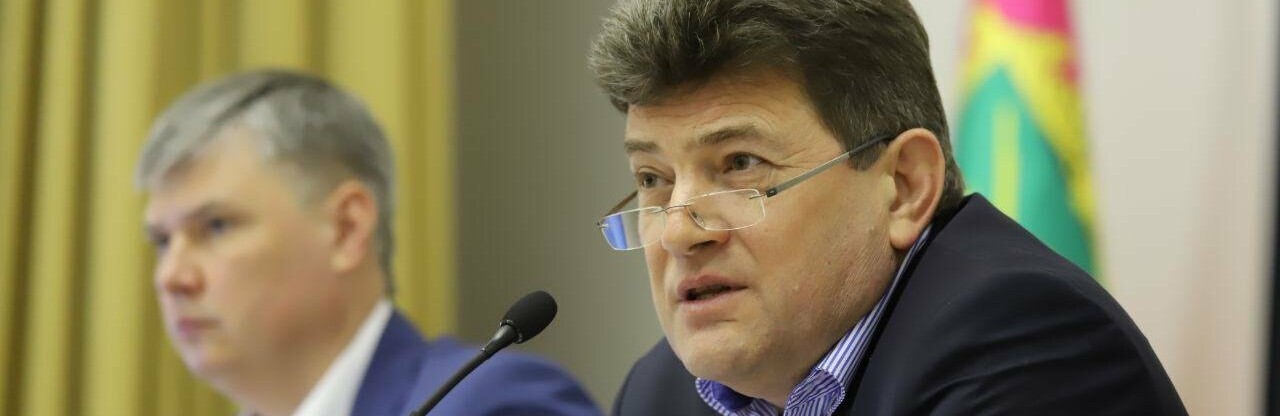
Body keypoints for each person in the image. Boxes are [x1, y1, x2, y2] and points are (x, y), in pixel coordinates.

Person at [586, 1, 1187, 414]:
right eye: (652, 178)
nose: (678, 232)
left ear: (903, 186)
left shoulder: (1027, 346)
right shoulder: (662, 393)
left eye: (740, 163)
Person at [137, 70, 600, 416]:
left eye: (217, 226)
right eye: (161, 240)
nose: (172, 277)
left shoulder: (495, 404)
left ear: (347, 228)